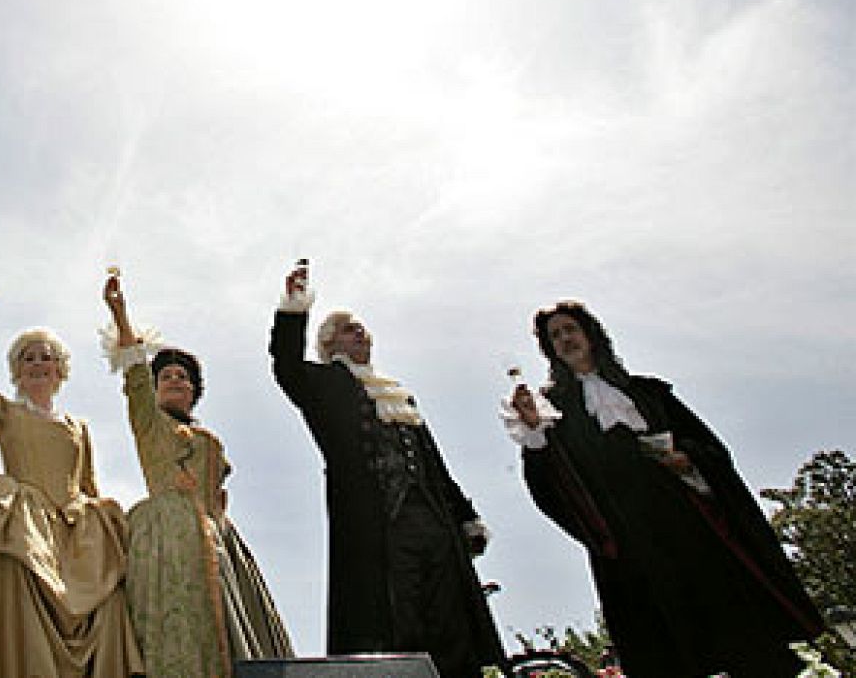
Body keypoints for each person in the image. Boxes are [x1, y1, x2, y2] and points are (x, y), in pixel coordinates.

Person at [506, 300, 824, 677]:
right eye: (554, 336)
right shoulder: (551, 413)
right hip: (629, 543)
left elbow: (711, 449)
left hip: (688, 523)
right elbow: (550, 485)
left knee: (734, 625)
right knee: (664, 641)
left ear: (590, 333)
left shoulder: (647, 393)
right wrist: (533, 432)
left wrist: (686, 459)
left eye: (569, 329)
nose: (564, 339)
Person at [268, 262, 503, 677]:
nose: (358, 332)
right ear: (328, 345)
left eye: (360, 327)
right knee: (396, 623)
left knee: (450, 624)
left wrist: (465, 516)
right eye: (347, 329)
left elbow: (434, 466)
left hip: (432, 520)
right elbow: (286, 365)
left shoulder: (398, 396)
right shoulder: (325, 386)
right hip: (377, 527)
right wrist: (294, 308)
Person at [0, 274, 144, 678]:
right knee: (18, 599)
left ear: (60, 370)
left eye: (45, 357)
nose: (37, 363)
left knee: (105, 602)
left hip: (77, 532)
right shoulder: (7, 413)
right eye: (28, 358)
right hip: (22, 525)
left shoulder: (78, 426)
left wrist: (101, 532)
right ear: (17, 372)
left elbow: (88, 483)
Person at [102, 271, 292, 677]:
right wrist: (120, 313)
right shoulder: (151, 425)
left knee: (230, 624)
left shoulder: (211, 441)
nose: (175, 380)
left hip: (212, 534)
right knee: (173, 627)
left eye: (183, 377)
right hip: (165, 534)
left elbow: (219, 491)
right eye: (166, 376)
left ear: (194, 391)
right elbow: (135, 375)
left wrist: (218, 523)